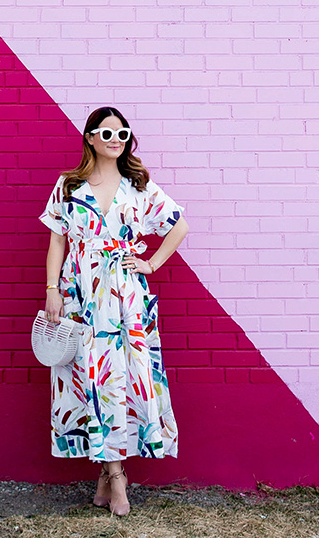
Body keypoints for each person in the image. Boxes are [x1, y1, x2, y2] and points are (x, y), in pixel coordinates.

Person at [39, 104, 189, 517]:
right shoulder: (68, 185)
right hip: (81, 297)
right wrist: (52, 290)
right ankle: (114, 474)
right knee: (91, 379)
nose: (115, 141)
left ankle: (111, 474)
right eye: (106, 134)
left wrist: (151, 264)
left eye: (122, 134)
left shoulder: (139, 186)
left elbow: (178, 225)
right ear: (89, 138)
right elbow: (57, 242)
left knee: (126, 378)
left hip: (126, 298)